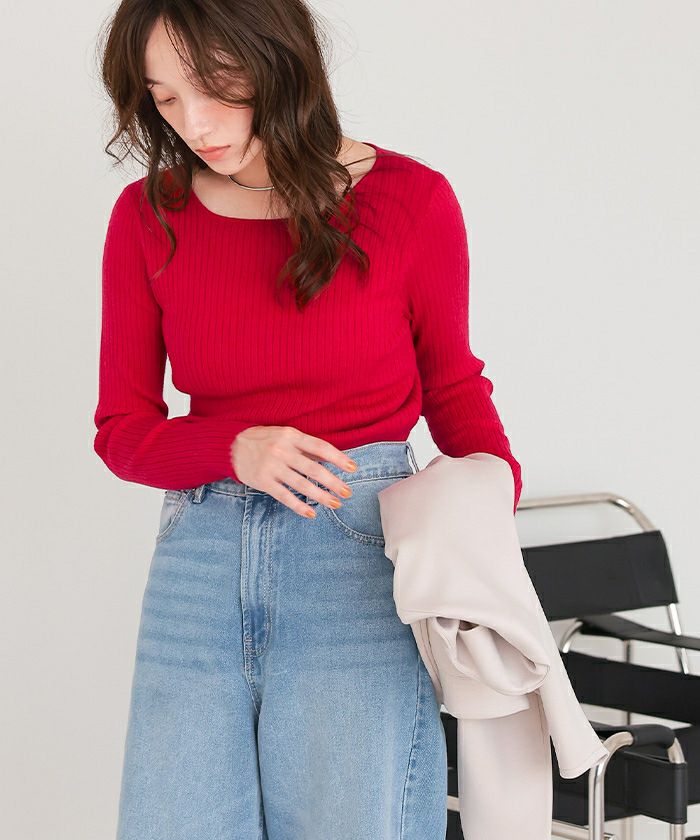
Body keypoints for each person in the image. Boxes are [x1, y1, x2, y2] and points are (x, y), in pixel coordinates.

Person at [94, 2, 522, 838]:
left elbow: (455, 391)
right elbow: (121, 430)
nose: (194, 124)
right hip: (197, 571)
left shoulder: (410, 200)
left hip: (356, 565)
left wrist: (486, 524)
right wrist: (233, 448)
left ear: (279, 58)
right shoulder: (149, 216)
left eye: (216, 87)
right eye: (165, 97)